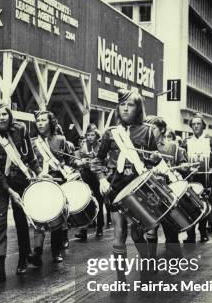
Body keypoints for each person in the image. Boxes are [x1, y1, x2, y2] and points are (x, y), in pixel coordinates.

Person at [95, 89, 160, 267]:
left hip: (139, 189)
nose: (125, 108)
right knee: (120, 232)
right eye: (122, 104)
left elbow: (154, 160)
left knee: (137, 233)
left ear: (138, 108)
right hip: (115, 188)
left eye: (130, 105)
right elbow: (97, 160)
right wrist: (101, 178)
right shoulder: (110, 133)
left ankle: (147, 262)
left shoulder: (147, 132)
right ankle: (120, 281)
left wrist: (155, 159)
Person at [0, 98, 44, 281]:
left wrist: (39, 173)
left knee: (21, 221)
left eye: (4, 114)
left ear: (9, 115)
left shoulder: (21, 129)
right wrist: (10, 191)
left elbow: (30, 157)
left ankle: (23, 259)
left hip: (20, 180)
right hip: (1, 185)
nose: (2, 118)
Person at [29, 110, 69, 265]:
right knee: (38, 217)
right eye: (37, 120)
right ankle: (37, 251)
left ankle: (56, 251)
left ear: (50, 122)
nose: (39, 123)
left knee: (56, 219)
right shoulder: (32, 142)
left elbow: (64, 161)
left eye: (43, 120)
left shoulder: (61, 140)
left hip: (55, 182)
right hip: (38, 183)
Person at [149, 116, 188, 257]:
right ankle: (151, 262)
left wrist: (183, 166)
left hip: (168, 193)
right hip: (150, 193)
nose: (148, 130)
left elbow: (183, 164)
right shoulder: (142, 146)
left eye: (152, 128)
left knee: (171, 228)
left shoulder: (172, 146)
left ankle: (175, 261)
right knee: (150, 228)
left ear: (162, 129)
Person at [181, 112, 212, 242]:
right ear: (191, 126)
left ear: (203, 126)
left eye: (199, 124)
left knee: (204, 204)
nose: (196, 126)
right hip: (191, 178)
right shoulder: (186, 141)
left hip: (206, 178)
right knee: (190, 206)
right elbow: (181, 159)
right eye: (194, 124)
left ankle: (203, 232)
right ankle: (190, 235)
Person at [75, 124, 104, 242]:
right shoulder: (83, 145)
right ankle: (83, 231)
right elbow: (77, 158)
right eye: (88, 135)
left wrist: (96, 158)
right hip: (86, 174)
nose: (90, 137)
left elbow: (104, 159)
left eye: (92, 135)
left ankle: (100, 227)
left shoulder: (101, 146)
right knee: (85, 201)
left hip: (97, 175)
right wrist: (80, 161)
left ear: (97, 136)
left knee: (100, 201)